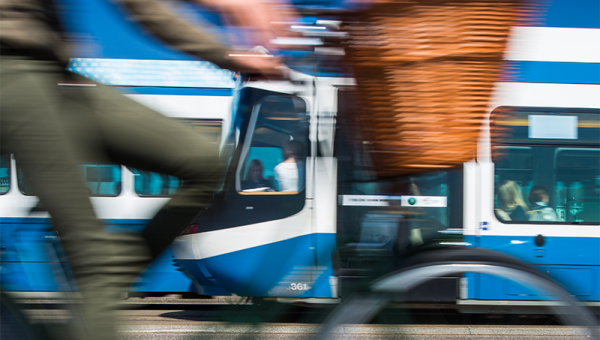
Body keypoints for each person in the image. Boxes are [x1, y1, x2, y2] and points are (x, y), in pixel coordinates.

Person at [0, 0, 294, 339]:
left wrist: (228, 54)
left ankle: (112, 275)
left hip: (55, 76)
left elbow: (144, 7)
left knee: (205, 165)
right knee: (91, 254)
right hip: (12, 72)